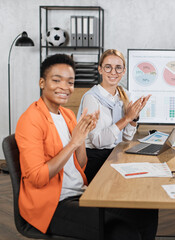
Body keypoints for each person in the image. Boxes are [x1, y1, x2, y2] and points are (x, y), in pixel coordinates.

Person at [15, 54, 158, 240]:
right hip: (52, 205)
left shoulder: (67, 114)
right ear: (42, 82)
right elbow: (37, 178)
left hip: (80, 192)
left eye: (70, 82)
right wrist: (74, 142)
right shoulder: (30, 120)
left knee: (146, 211)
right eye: (56, 80)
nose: (64, 87)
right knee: (124, 233)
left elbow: (80, 165)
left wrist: (81, 138)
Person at [77, 49, 151, 183]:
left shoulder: (125, 95)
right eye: (108, 67)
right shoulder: (92, 98)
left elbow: (126, 139)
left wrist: (134, 119)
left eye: (118, 68)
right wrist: (127, 118)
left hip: (116, 154)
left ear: (124, 71)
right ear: (100, 69)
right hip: (96, 160)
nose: (113, 72)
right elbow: (98, 141)